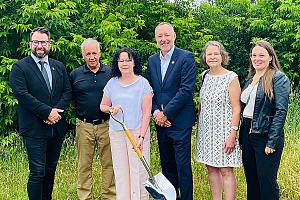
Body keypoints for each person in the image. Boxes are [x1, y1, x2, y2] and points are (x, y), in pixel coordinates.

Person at [9, 27, 72, 200]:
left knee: (51, 170)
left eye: (43, 42)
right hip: (34, 129)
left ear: (49, 44)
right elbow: (22, 94)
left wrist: (55, 113)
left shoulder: (58, 67)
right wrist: (46, 112)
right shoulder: (20, 67)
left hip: (56, 127)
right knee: (37, 172)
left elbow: (67, 92)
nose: (40, 46)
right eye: (36, 42)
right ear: (30, 44)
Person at [146, 22, 196, 200]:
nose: (163, 39)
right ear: (155, 38)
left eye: (167, 35)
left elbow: (186, 90)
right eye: (160, 36)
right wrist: (155, 114)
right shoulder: (152, 60)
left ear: (174, 36)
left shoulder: (186, 57)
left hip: (179, 122)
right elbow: (149, 91)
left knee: (182, 167)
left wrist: (165, 114)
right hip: (161, 123)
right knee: (167, 166)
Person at [239, 40, 290, 200]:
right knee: (252, 181)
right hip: (247, 134)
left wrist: (272, 141)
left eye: (261, 55)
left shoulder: (278, 78)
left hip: (265, 134)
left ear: (270, 57)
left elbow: (281, 110)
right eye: (254, 55)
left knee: (266, 181)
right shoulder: (251, 78)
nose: (257, 58)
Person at [100, 47, 153, 200]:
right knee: (121, 171)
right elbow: (102, 106)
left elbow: (146, 113)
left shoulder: (143, 83)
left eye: (128, 60)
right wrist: (111, 109)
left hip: (137, 132)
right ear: (117, 63)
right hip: (117, 133)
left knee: (138, 171)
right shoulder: (112, 83)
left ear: (134, 62)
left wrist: (142, 137)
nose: (124, 63)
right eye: (121, 60)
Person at [69, 38, 116, 200]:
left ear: (99, 53)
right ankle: (85, 197)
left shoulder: (111, 73)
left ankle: (109, 196)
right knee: (84, 164)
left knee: (109, 164)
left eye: (94, 53)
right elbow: (72, 100)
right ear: (83, 56)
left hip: (107, 124)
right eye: (87, 54)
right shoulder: (75, 74)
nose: (91, 57)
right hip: (84, 126)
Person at [196, 41, 242, 200]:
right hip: (206, 132)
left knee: (226, 170)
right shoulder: (204, 76)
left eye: (216, 53)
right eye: (209, 54)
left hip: (225, 131)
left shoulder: (231, 77)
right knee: (211, 169)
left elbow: (237, 108)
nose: (213, 57)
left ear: (222, 56)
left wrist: (232, 134)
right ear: (205, 57)